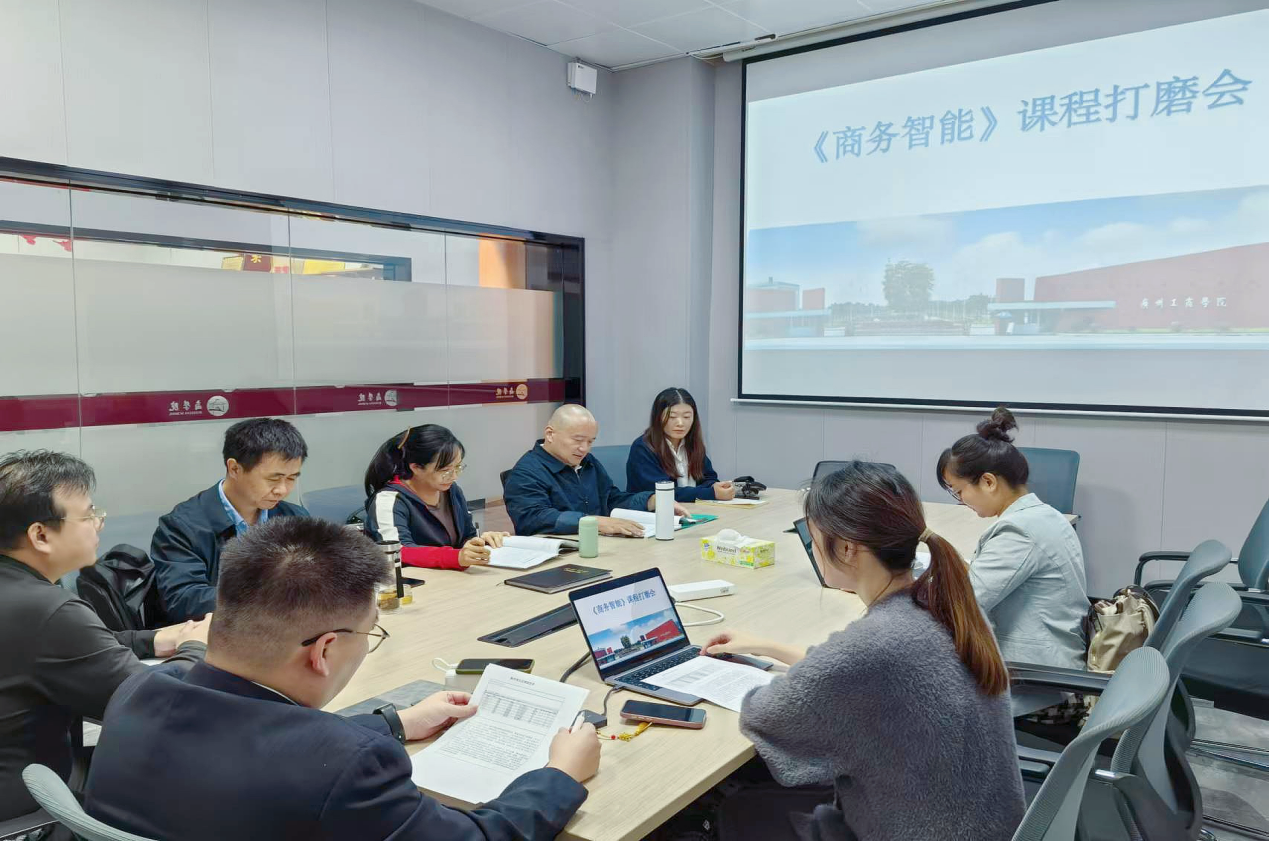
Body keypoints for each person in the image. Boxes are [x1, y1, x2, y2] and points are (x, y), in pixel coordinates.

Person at [83, 517, 600, 840]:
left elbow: (257, 738)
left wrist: (396, 723)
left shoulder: (138, 690)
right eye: (369, 633)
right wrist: (559, 775)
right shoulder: (349, 767)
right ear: (324, 650)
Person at [704, 462, 1024, 841]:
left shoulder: (874, 645)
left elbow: (766, 715)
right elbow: (856, 672)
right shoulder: (946, 604)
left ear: (847, 548)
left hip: (923, 830)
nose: (812, 549)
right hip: (983, 824)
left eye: (813, 538)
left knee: (740, 810)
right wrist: (765, 646)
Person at [0, 451, 207, 827]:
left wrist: (152, 640)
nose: (99, 523)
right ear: (40, 535)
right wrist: (197, 646)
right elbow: (155, 702)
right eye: (88, 514)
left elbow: (65, 647)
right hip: (28, 813)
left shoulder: (20, 594)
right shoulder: (49, 610)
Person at [936, 407, 1089, 674]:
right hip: (1050, 658)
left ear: (988, 482)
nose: (961, 501)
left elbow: (960, 605)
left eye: (959, 492)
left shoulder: (1020, 532)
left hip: (1033, 675)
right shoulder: (1044, 515)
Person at [152, 417, 310, 622]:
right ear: (235, 468)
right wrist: (270, 597)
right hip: (216, 634)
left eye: (291, 478)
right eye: (273, 478)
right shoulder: (181, 527)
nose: (282, 490)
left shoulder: (295, 518)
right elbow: (184, 600)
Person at [504, 404, 686, 536]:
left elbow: (611, 499)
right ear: (550, 434)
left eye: (590, 442)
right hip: (559, 553)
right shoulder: (526, 472)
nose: (584, 448)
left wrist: (650, 501)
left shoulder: (587, 462)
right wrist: (595, 522)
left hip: (600, 545)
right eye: (578, 440)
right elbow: (534, 518)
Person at [363, 425, 508, 570]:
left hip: (451, 576)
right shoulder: (389, 500)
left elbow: (465, 537)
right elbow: (398, 551)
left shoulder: (451, 490)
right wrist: (455, 557)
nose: (454, 476)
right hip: (413, 580)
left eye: (458, 467)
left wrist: (481, 543)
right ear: (416, 467)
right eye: (445, 470)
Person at [625, 387, 735, 502]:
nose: (680, 423)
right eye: (672, 417)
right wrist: (710, 493)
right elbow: (662, 493)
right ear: (658, 417)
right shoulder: (643, 448)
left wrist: (715, 486)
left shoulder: (692, 444)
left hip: (693, 509)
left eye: (687, 417)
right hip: (655, 511)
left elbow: (708, 477)